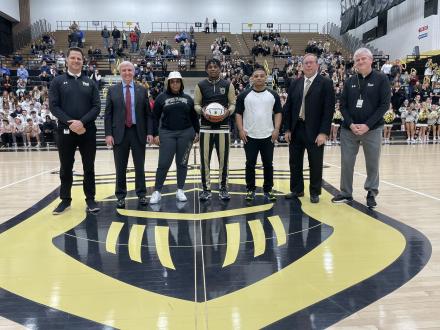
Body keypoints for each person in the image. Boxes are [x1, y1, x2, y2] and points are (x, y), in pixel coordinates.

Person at [331, 48, 391, 208]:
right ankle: (346, 193)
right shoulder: (350, 81)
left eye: (363, 59)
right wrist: (350, 124)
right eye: (357, 60)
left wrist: (367, 125)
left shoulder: (381, 78)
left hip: (372, 129)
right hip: (349, 130)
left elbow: (384, 105)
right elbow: (342, 106)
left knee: (372, 163)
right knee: (346, 162)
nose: (360, 62)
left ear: (371, 60)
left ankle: (371, 192)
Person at [49, 47, 101, 215]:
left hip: (88, 131)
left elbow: (96, 107)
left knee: (89, 167)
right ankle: (65, 200)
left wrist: (82, 122)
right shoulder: (58, 81)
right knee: (65, 166)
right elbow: (53, 106)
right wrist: (70, 123)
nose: (76, 61)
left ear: (83, 61)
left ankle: (90, 199)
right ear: (67, 60)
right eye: (73, 58)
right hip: (65, 131)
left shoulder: (91, 82)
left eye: (79, 58)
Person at [283, 53, 335, 203]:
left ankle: (314, 192)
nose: (309, 65)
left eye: (312, 62)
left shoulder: (325, 83)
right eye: (306, 63)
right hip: (296, 128)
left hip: (315, 131)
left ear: (317, 65)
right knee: (295, 162)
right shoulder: (295, 83)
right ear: (302, 66)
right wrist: (287, 129)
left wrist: (324, 132)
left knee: (315, 162)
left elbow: (328, 110)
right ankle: (297, 190)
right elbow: (288, 107)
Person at [104, 61, 153, 209]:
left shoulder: (142, 90)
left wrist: (150, 132)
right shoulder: (112, 90)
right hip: (119, 133)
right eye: (124, 70)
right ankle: (120, 196)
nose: (127, 72)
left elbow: (148, 114)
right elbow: (108, 114)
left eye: (129, 70)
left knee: (140, 166)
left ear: (134, 72)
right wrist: (108, 134)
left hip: (138, 132)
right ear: (120, 72)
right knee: (120, 167)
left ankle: (142, 194)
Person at [149, 71, 200, 204]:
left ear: (181, 83)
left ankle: (180, 190)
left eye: (177, 81)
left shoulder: (188, 99)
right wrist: (155, 134)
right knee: (164, 163)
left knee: (182, 163)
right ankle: (157, 191)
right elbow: (154, 117)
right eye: (173, 81)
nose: (175, 84)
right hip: (167, 133)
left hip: (186, 133)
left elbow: (194, 117)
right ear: (169, 83)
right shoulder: (161, 98)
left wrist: (197, 132)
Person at [235, 67, 282, 201]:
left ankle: (268, 189)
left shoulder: (273, 95)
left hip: (268, 135)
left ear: (266, 77)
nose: (259, 78)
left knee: (268, 164)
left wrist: (276, 129)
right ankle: (250, 190)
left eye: (262, 76)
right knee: (250, 164)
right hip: (250, 136)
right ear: (252, 79)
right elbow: (238, 113)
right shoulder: (244, 95)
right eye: (256, 76)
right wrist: (241, 130)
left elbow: (278, 112)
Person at [194, 58, 236, 201]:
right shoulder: (200, 85)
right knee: (204, 160)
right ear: (207, 69)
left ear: (220, 68)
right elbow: (196, 104)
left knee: (223, 160)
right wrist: (203, 111)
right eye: (210, 67)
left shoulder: (227, 84)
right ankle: (206, 189)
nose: (213, 69)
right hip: (205, 128)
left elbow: (232, 104)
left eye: (215, 66)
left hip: (223, 129)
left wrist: (227, 112)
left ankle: (223, 188)